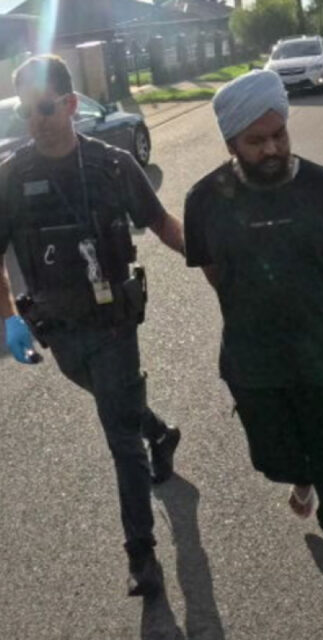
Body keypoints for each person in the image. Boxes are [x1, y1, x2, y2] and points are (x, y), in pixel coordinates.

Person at [0, 55, 183, 596]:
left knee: (118, 437)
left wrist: (217, 263)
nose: (36, 118)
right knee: (110, 399)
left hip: (112, 322)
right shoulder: (11, 178)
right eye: (26, 110)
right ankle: (161, 430)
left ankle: (142, 556)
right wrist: (9, 317)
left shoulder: (112, 166)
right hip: (58, 327)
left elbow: (161, 222)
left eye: (46, 107)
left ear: (71, 104)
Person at [183, 70, 323, 579]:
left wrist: (313, 303)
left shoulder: (321, 186)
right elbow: (212, 269)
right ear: (231, 143)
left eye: (278, 135)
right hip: (252, 355)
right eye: (256, 140)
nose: (272, 148)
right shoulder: (204, 199)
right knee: (273, 455)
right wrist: (256, 305)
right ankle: (297, 475)